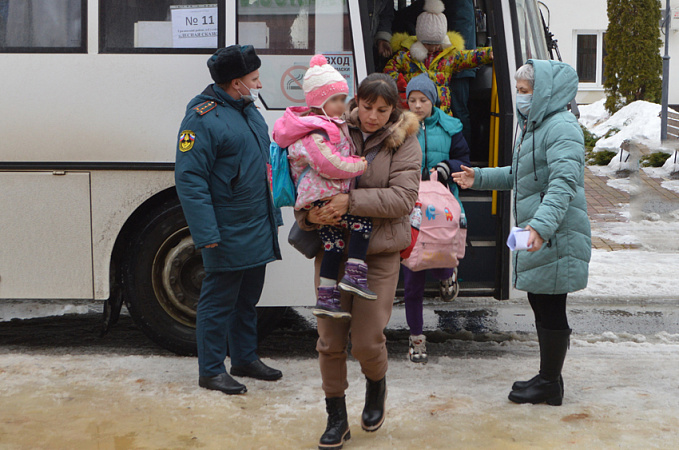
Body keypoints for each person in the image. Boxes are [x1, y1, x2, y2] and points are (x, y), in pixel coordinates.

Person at [452, 60, 592, 406]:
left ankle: (549, 383)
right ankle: (549, 378)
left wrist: (540, 228)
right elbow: (520, 175)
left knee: (550, 303)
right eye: (519, 91)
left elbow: (563, 185)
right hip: (541, 230)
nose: (520, 98)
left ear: (544, 92)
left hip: (555, 233)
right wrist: (479, 178)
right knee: (539, 299)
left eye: (525, 91)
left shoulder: (562, 128)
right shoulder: (536, 126)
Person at [295, 73, 421, 449]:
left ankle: (376, 384)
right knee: (330, 339)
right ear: (356, 102)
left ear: (393, 110)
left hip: (378, 255)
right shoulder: (333, 128)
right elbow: (305, 176)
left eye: (382, 110)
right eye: (367, 107)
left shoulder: (406, 142)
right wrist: (309, 216)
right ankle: (336, 418)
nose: (372, 117)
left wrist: (351, 202)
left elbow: (403, 198)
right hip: (331, 249)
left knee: (366, 342)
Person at [175, 45, 283, 396]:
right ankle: (210, 370)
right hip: (226, 227)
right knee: (218, 302)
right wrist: (205, 232)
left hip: (255, 221)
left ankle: (244, 358)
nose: (259, 84)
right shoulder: (202, 118)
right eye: (254, 79)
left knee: (247, 300)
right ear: (235, 83)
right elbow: (190, 180)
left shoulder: (247, 109)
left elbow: (262, 164)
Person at [272, 54, 374, 322]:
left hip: (319, 198)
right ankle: (354, 273)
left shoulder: (324, 125)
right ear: (319, 102)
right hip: (321, 197)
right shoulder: (315, 133)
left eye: (343, 99)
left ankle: (326, 297)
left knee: (334, 245)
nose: (343, 105)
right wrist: (358, 165)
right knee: (362, 222)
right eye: (337, 100)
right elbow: (329, 165)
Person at [403, 73, 471, 364]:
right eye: (412, 100)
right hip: (413, 208)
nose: (418, 106)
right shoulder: (401, 128)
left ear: (434, 100)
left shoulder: (450, 126)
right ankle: (416, 338)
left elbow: (465, 159)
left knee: (444, 257)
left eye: (424, 100)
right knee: (413, 275)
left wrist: (448, 166)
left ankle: (447, 275)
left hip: (443, 207)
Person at [384, 0, 492, 119]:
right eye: (428, 44)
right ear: (419, 39)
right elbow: (389, 69)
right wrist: (401, 83)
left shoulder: (448, 56)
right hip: (414, 115)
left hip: (441, 115)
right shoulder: (406, 56)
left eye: (436, 44)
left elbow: (468, 57)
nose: (432, 48)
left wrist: (488, 53)